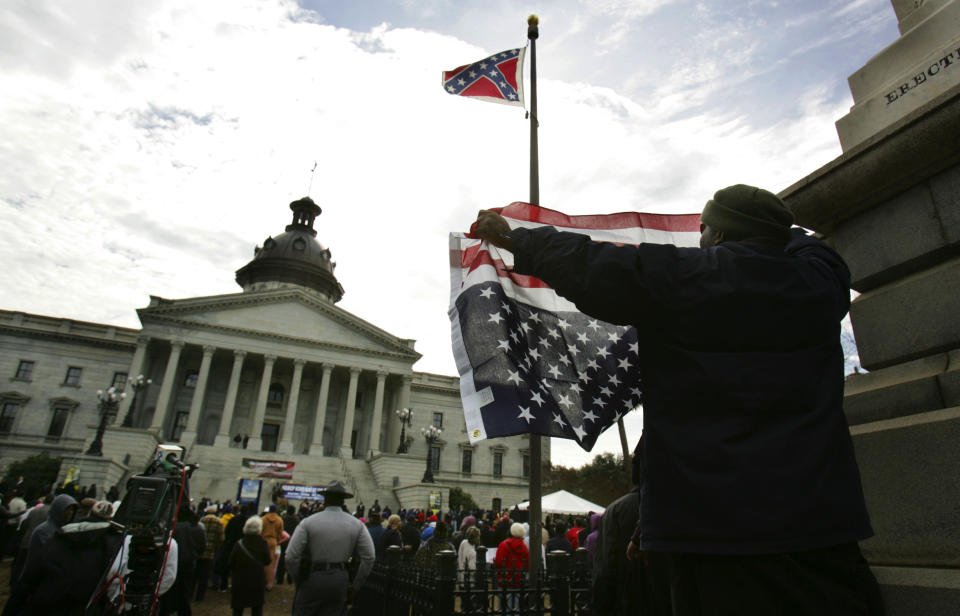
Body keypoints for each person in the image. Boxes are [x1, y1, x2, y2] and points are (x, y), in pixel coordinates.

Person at [473, 184, 881, 614]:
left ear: (721, 235)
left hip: (711, 525)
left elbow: (594, 263)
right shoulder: (817, 281)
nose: (698, 237)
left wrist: (516, 238)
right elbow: (820, 253)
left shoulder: (683, 276)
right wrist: (782, 233)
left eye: (704, 228)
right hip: (818, 519)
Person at [284, 480, 375, 616]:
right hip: (340, 579)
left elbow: (291, 556)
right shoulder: (357, 524)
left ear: (325, 499)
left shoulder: (308, 522)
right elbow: (369, 557)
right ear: (343, 501)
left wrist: (298, 578)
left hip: (312, 576)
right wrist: (355, 586)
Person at [229, 515, 272, 616]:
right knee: (257, 608)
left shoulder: (239, 544)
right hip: (257, 579)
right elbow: (267, 560)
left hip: (240, 579)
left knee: (238, 608)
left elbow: (231, 562)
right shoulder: (263, 543)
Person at [493, 523, 529, 615]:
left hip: (504, 580)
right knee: (516, 608)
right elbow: (527, 565)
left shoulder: (503, 545)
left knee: (503, 608)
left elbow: (498, 563)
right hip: (517, 581)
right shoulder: (524, 547)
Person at [196, 505, 224, 602]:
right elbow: (221, 539)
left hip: (198, 552)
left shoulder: (201, 521)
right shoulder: (219, 522)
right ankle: (200, 597)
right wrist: (215, 549)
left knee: (194, 575)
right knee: (204, 576)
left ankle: (190, 594)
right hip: (210, 553)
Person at [260, 504, 284, 591]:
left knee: (261, 562)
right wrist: (276, 540)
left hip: (263, 541)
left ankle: (260, 581)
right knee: (271, 563)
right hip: (273, 542)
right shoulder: (279, 520)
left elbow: (260, 531)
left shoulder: (263, 519)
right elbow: (280, 533)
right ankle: (268, 584)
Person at [276, 504, 299, 585]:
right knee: (290, 560)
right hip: (292, 542)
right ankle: (290, 579)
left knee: (280, 561)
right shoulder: (297, 519)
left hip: (282, 541)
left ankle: (279, 579)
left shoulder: (283, 519)